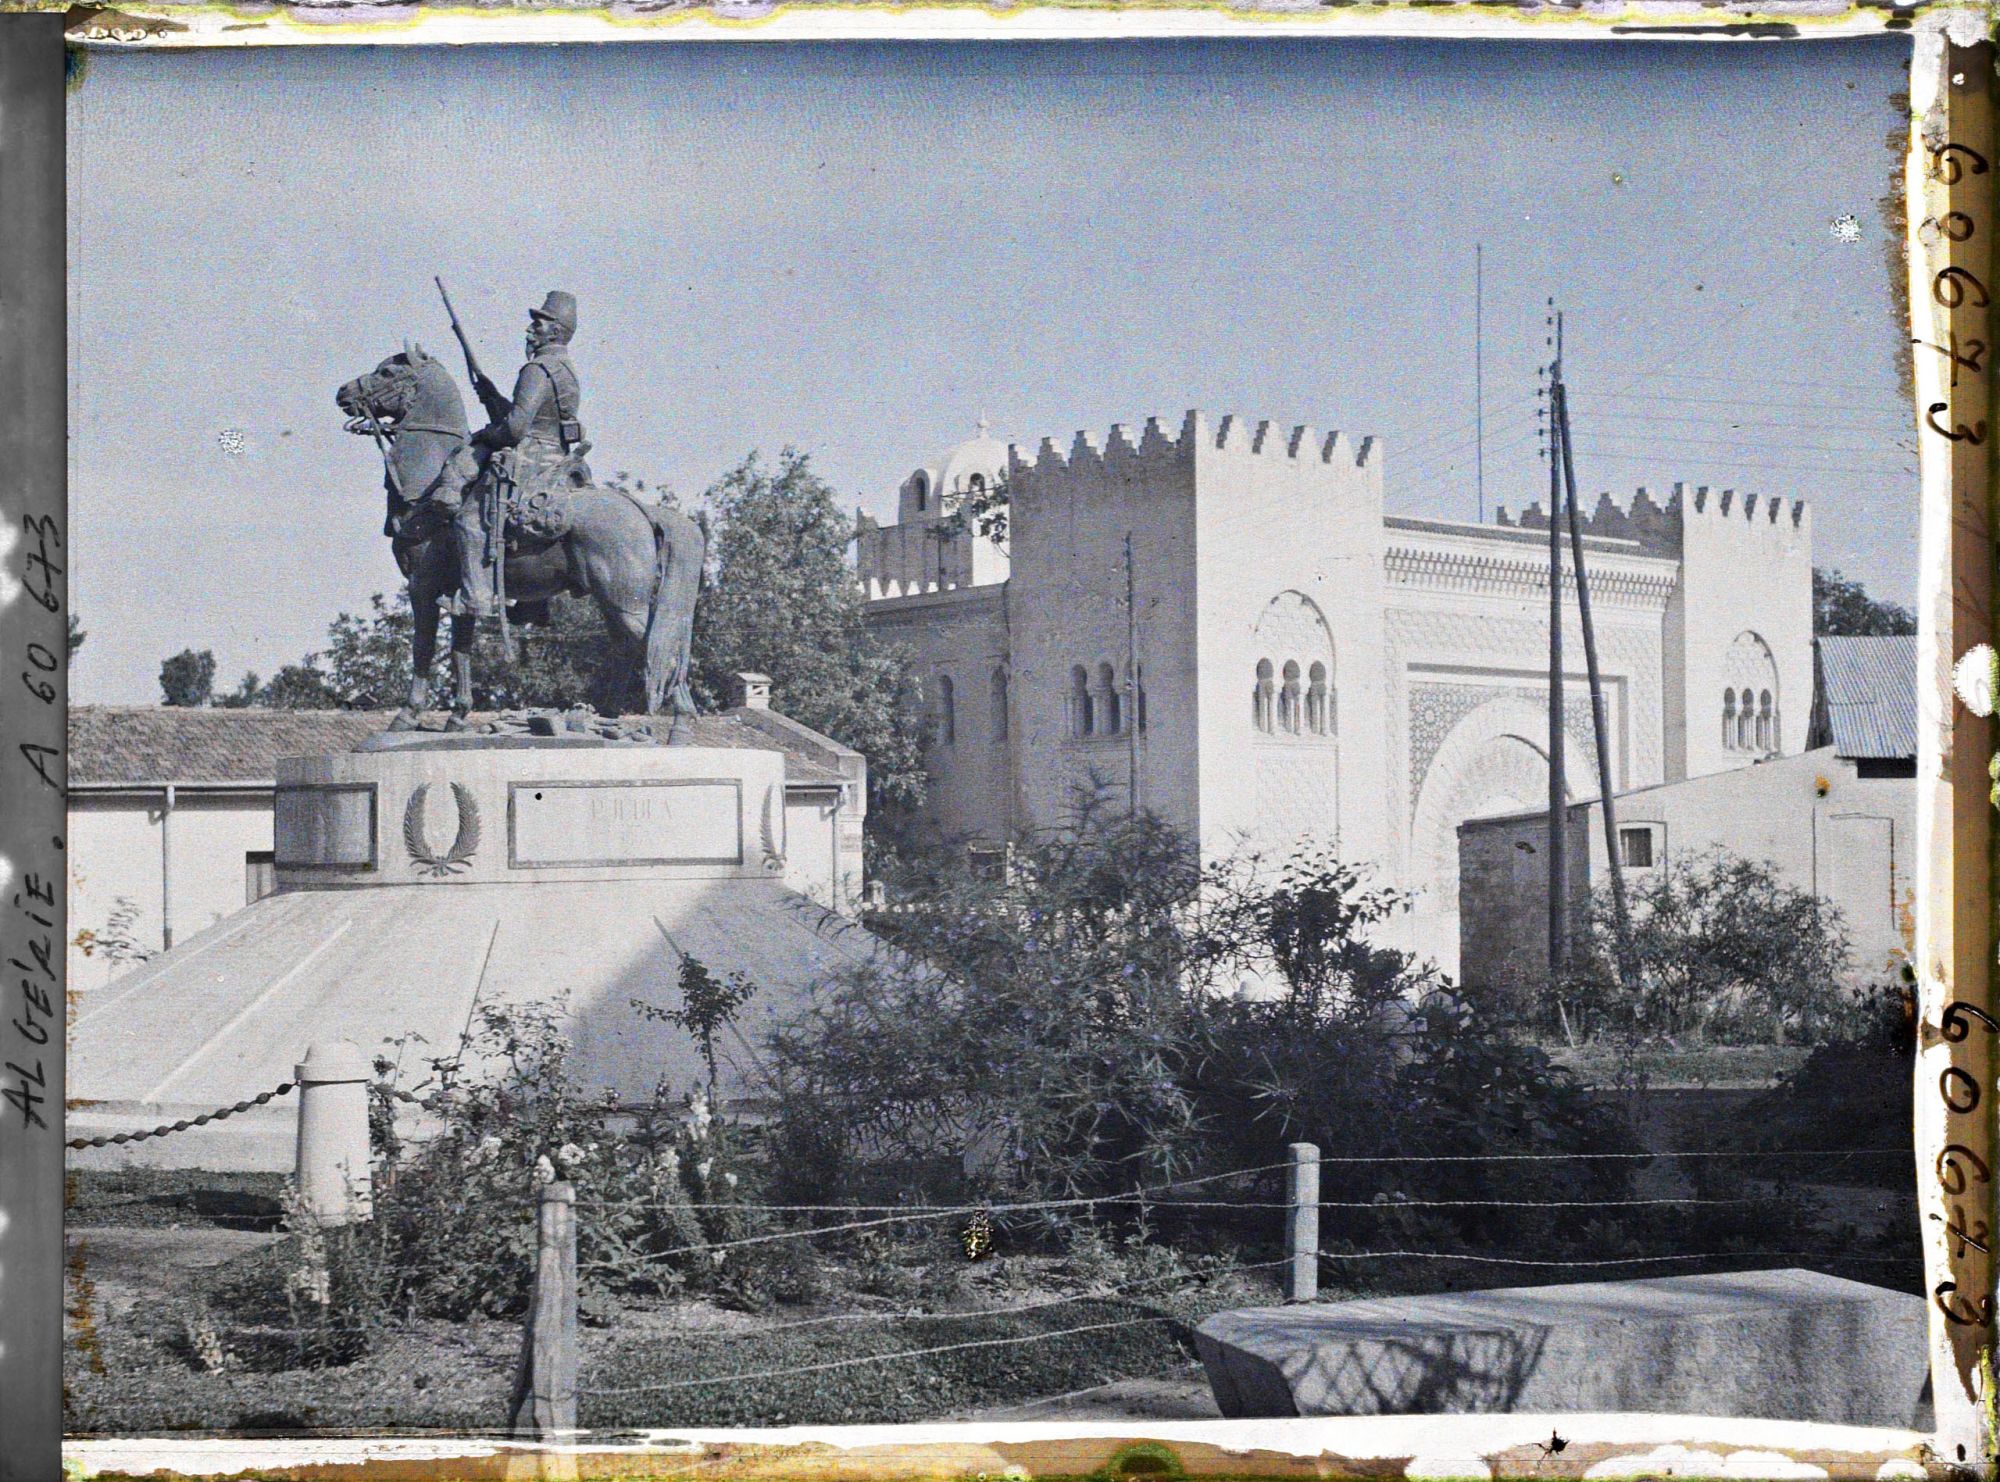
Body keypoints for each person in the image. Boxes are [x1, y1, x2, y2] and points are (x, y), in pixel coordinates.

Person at [436, 290, 591, 617]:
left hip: (531, 457)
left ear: (556, 331)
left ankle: (475, 596)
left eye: (540, 323)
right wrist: (492, 396)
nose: (530, 329)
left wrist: (485, 434)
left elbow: (517, 429)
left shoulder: (537, 369)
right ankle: (534, 604)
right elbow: (539, 418)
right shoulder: (566, 369)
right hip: (558, 456)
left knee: (468, 519)